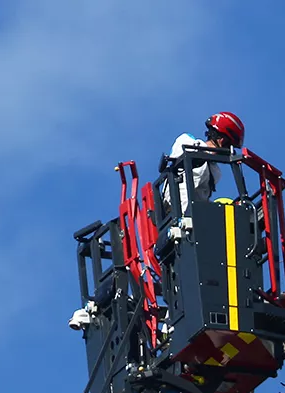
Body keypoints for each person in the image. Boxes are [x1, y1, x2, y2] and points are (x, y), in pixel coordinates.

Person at [71, 112, 246, 331]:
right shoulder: (188, 142)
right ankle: (93, 307)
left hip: (193, 223)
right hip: (171, 220)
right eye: (228, 144)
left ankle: (184, 318)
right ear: (222, 139)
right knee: (133, 271)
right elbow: (181, 159)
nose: (227, 150)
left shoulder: (215, 172)